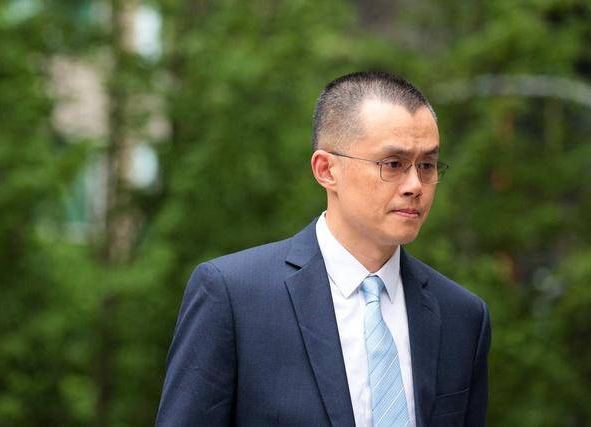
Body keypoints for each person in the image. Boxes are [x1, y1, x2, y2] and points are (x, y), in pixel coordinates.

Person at [155, 71, 491, 426]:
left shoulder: (462, 316)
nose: (415, 185)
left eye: (427, 165)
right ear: (326, 169)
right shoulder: (235, 297)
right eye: (393, 164)